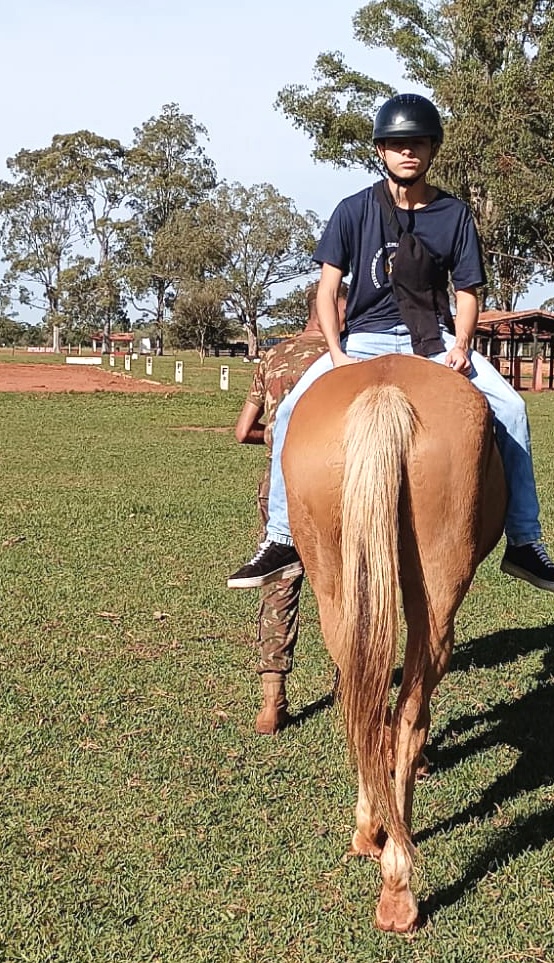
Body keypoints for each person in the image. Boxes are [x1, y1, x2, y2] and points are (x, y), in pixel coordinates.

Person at [228, 93, 554, 595]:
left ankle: (524, 542)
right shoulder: (352, 211)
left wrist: (461, 344)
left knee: (514, 410)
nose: (407, 153)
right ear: (380, 152)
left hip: (433, 339)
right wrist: (338, 352)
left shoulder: (453, 215)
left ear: (432, 150)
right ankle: (280, 539)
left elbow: (468, 291)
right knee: (286, 416)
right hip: (362, 339)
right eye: (396, 144)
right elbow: (328, 291)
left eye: (416, 144)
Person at [233, 281, 349, 734]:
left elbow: (243, 430)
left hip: (280, 487)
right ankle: (347, 681)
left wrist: (282, 439)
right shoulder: (347, 359)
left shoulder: (274, 357)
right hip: (336, 486)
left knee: (279, 583)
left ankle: (272, 701)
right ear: (331, 311)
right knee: (344, 584)